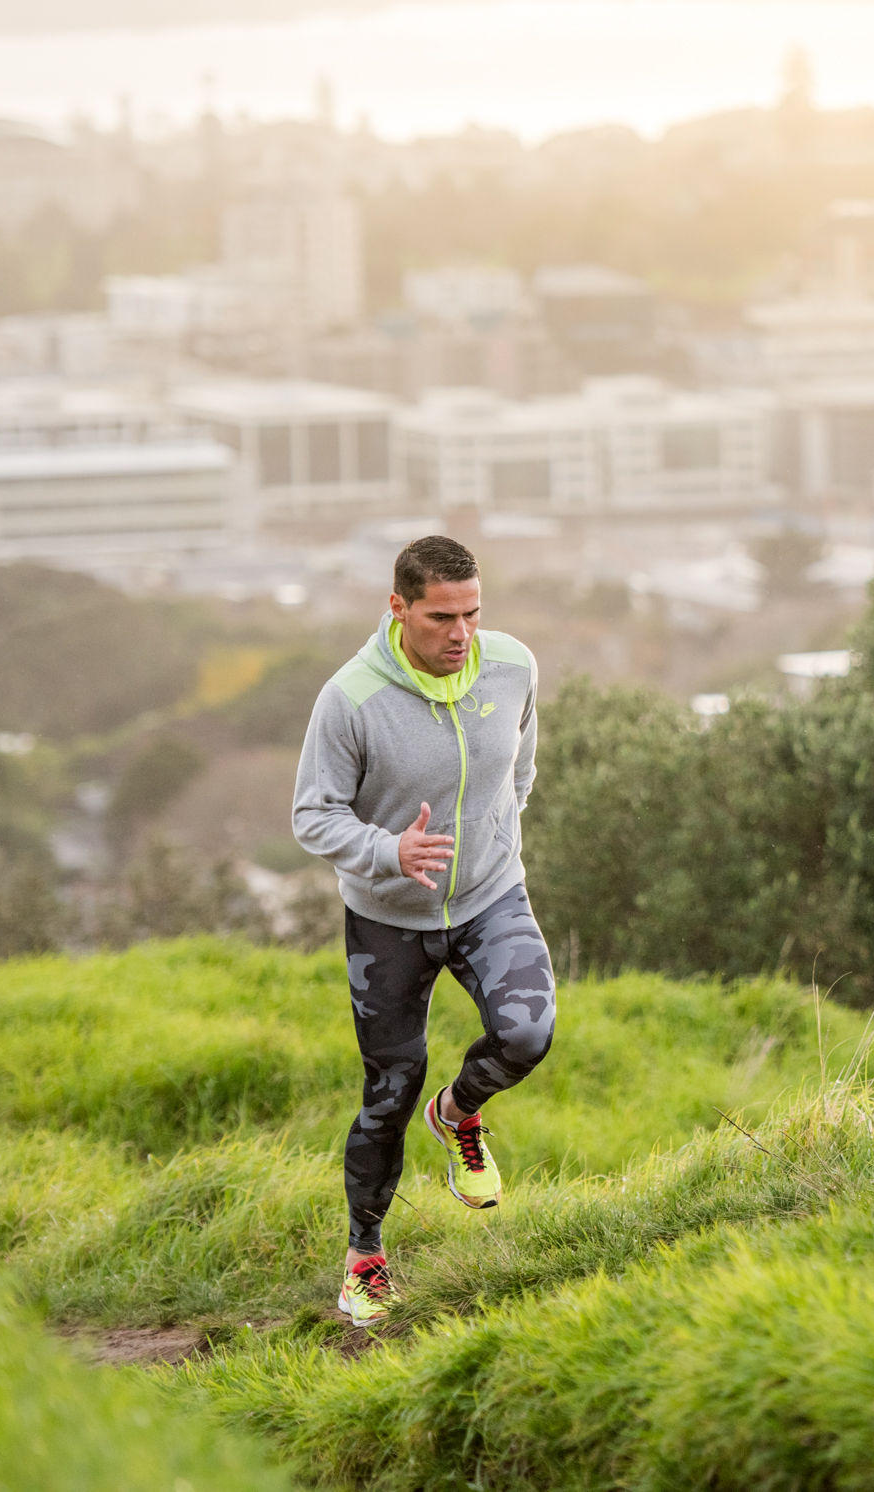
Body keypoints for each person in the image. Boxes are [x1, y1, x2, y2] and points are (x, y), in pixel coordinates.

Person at [291, 534, 554, 1327]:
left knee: (527, 1033)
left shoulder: (513, 667)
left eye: (473, 613)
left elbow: (522, 772)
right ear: (399, 607)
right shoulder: (351, 699)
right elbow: (312, 815)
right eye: (442, 616)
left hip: (489, 897)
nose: (461, 633)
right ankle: (365, 1258)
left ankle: (461, 1113)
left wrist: (486, 850)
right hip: (389, 921)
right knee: (389, 1091)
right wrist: (387, 852)